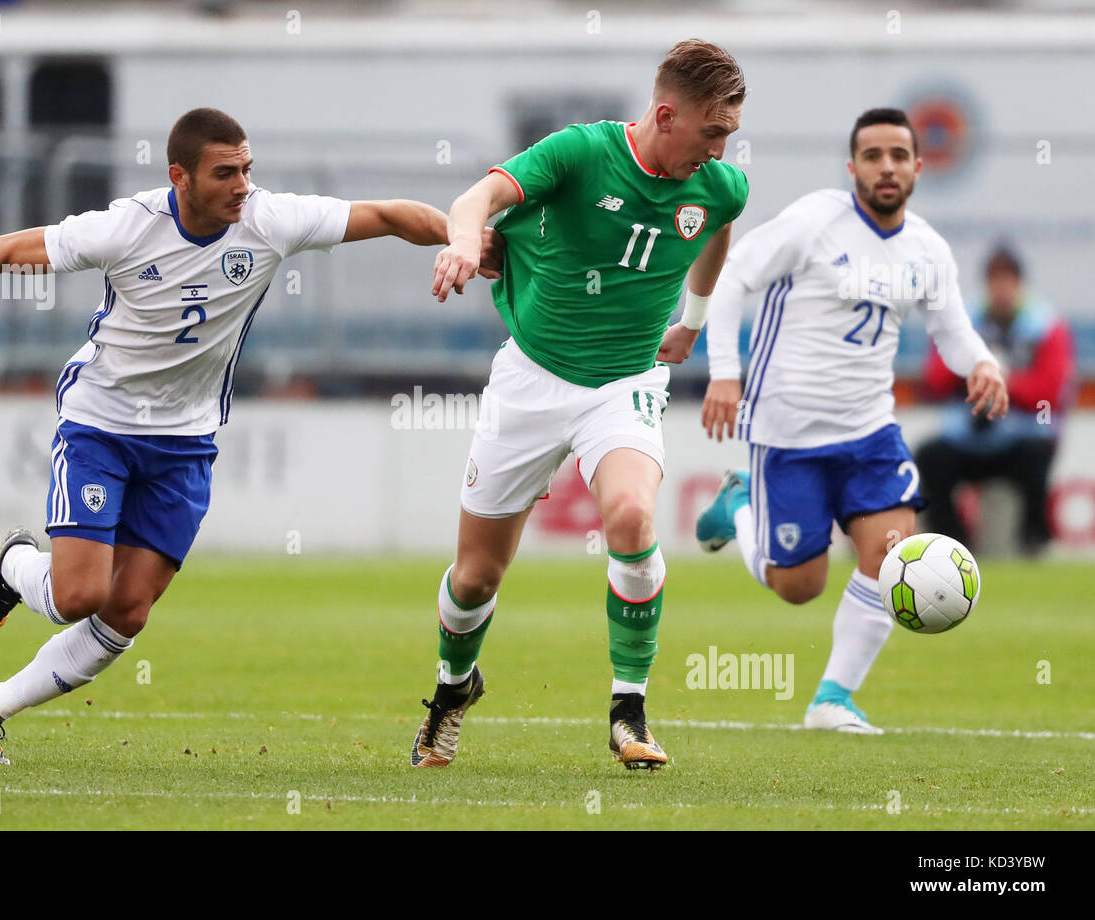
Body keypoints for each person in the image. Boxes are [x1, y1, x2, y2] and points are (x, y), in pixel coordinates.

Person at [0, 107, 499, 765]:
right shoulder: (126, 226)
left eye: (247, 169)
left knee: (128, 611)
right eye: (225, 173)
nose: (242, 185)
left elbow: (393, 215)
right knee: (78, 595)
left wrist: (465, 241)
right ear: (181, 177)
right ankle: (14, 566)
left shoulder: (269, 220)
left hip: (186, 444)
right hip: (101, 426)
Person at [410, 39, 748, 770]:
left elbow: (718, 229)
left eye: (729, 136)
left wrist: (692, 318)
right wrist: (463, 243)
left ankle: (629, 710)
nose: (721, 151)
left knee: (630, 517)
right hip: (530, 380)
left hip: (624, 386)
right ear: (665, 114)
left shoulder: (720, 185)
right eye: (712, 133)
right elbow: (479, 198)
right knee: (475, 578)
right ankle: (450, 690)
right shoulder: (578, 153)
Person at [695, 108, 1008, 734]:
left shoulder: (926, 248)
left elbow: (952, 330)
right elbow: (732, 279)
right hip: (789, 434)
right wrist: (724, 372)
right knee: (799, 586)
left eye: (898, 155)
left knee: (892, 558)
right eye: (873, 155)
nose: (886, 166)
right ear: (852, 167)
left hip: (870, 432)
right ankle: (740, 508)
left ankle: (832, 698)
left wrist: (983, 365)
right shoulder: (814, 223)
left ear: (918, 167)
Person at [915, 246, 1075, 555]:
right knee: (930, 456)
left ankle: (1034, 539)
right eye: (995, 282)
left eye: (1008, 282)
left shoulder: (1045, 325)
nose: (1001, 291)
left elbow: (1051, 392)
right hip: (967, 432)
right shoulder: (963, 323)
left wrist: (1007, 383)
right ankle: (954, 545)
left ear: (1019, 285)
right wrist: (972, 373)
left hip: (1025, 429)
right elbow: (933, 380)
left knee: (1042, 445)